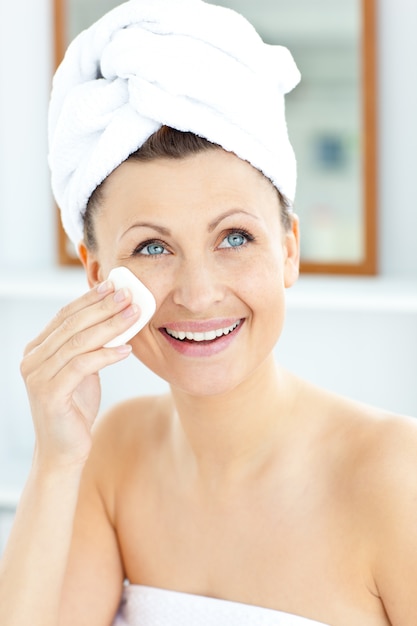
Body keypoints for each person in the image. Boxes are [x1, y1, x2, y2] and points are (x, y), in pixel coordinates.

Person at [1, 1, 417, 625]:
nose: (197, 294)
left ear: (289, 250)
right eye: (152, 247)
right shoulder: (112, 456)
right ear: (95, 274)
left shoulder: (395, 475)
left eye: (235, 237)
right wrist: (55, 458)